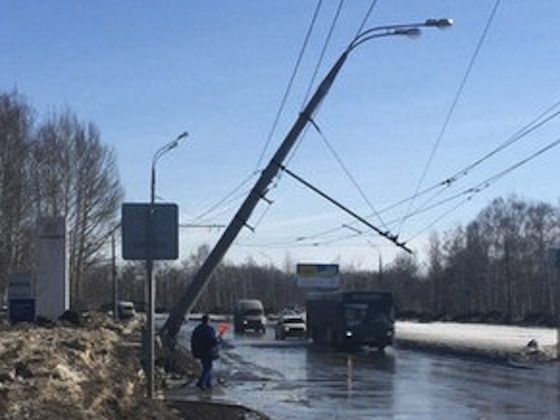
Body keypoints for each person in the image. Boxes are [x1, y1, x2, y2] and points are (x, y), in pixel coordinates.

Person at [190, 314, 220, 390]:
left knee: (206, 366)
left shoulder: (197, 329)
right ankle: (202, 382)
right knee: (208, 367)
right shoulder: (209, 329)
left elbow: (193, 340)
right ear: (208, 321)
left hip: (199, 351)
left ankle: (207, 382)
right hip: (207, 352)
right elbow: (212, 341)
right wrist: (218, 340)